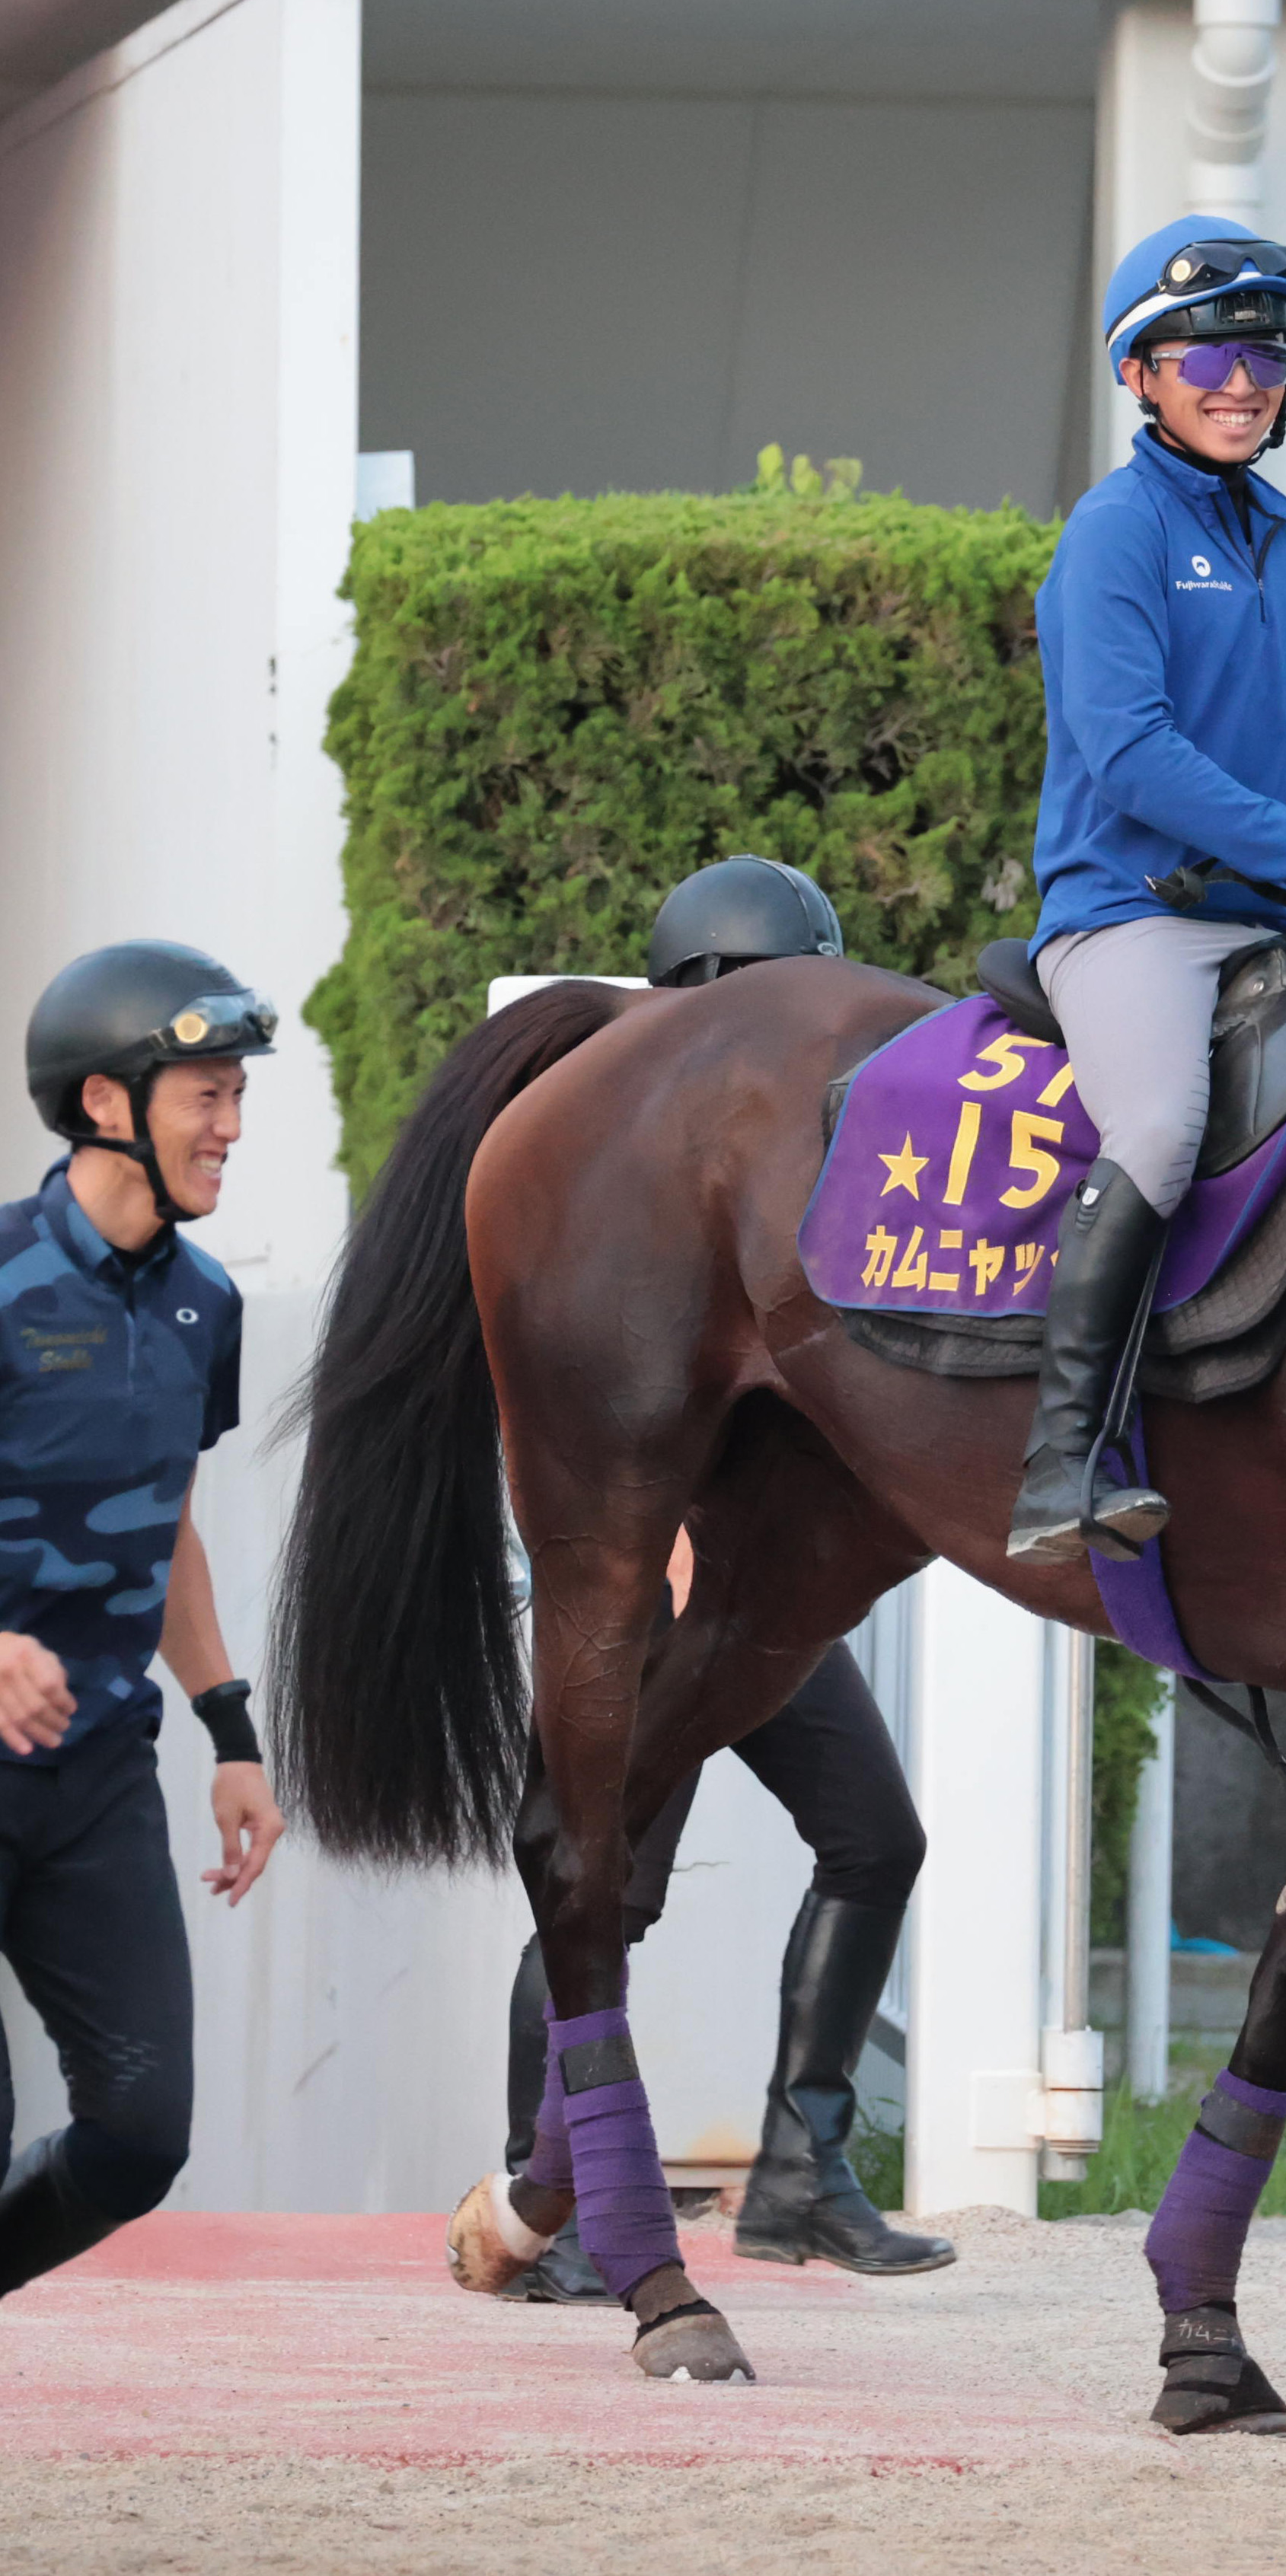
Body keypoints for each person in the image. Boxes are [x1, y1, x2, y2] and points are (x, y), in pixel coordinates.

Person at [498, 857, 950, 2303]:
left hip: (756, 1608)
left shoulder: (791, 1165)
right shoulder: (612, 1162)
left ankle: (805, 2171)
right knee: (601, 1882)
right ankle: (548, 2180)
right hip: (637, 1610)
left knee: (876, 1838)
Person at [1007, 217, 1286, 1563]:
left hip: (1266, 927)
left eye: (1267, 353)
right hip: (1130, 917)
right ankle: (1061, 1461)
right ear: (1142, 374)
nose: (1245, 380)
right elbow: (1131, 753)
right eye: (1211, 355)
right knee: (1169, 1127)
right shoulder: (1112, 535)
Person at [0, 942, 288, 2296]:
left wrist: (230, 1724)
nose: (231, 1126)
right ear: (107, 1101)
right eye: (207, 1095)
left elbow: (168, 1521)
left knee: (141, 2132)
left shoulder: (205, 1304)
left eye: (237, 1097)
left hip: (100, 1772)